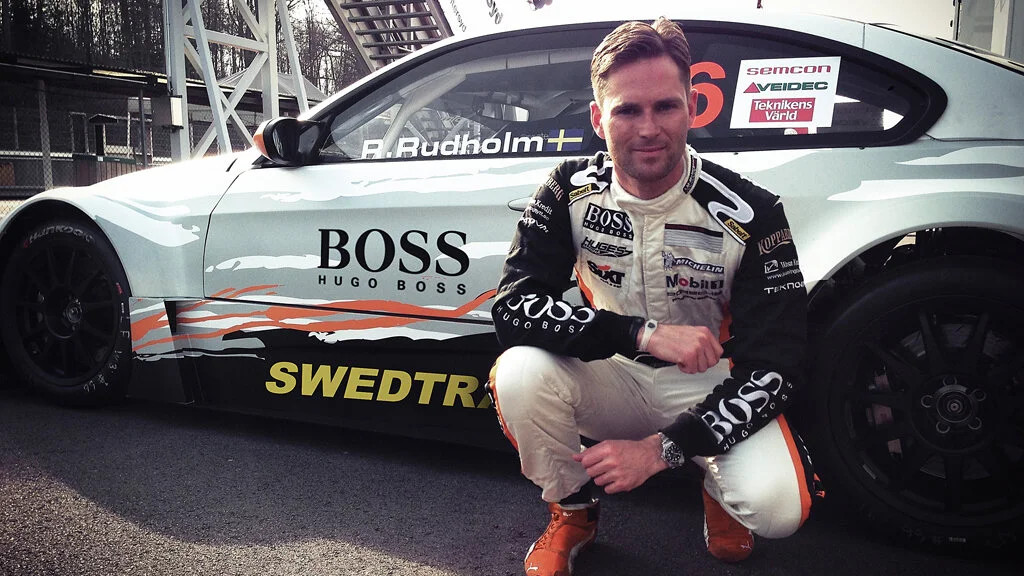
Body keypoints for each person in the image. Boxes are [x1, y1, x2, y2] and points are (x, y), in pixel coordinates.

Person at [488, 17, 814, 576]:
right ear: (599, 119)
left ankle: (720, 488)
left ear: (693, 108)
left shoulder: (752, 211)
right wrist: (640, 333)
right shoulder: (567, 189)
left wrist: (661, 450)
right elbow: (513, 308)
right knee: (519, 372)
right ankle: (573, 511)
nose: (648, 129)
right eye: (627, 111)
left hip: (711, 382)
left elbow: (778, 364)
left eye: (665, 107)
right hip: (612, 374)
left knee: (779, 508)